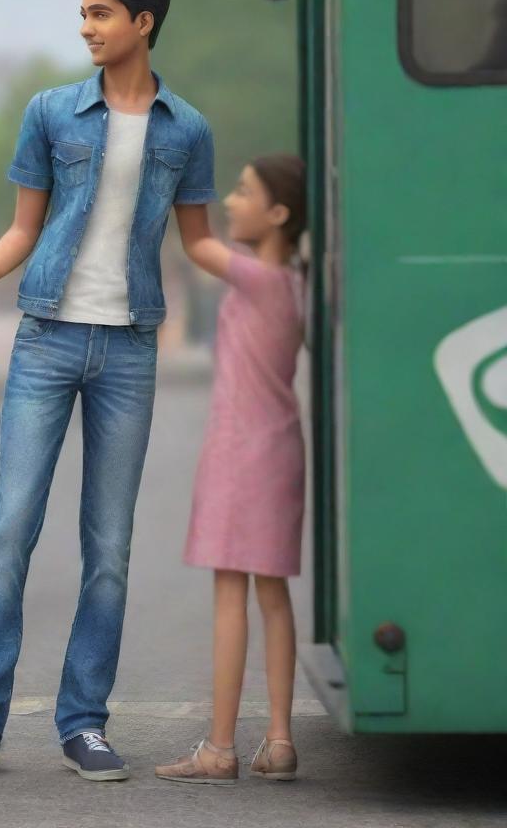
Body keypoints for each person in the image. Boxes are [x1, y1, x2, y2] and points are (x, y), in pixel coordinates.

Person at [0, 0, 217, 782]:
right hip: (47, 338)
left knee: (110, 546)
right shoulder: (53, 112)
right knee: (9, 530)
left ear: (143, 22)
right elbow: (23, 231)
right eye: (84, 12)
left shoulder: (185, 129)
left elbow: (198, 243)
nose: (86, 27)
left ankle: (83, 722)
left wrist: (286, 273)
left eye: (100, 13)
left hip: (129, 347)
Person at [154, 154, 307, 786]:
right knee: (271, 595)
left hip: (241, 453)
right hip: (278, 448)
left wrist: (172, 169)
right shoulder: (293, 284)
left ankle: (219, 748)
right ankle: (278, 739)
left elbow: (197, 240)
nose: (231, 201)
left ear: (277, 215)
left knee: (229, 596)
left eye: (244, 193)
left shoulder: (259, 279)